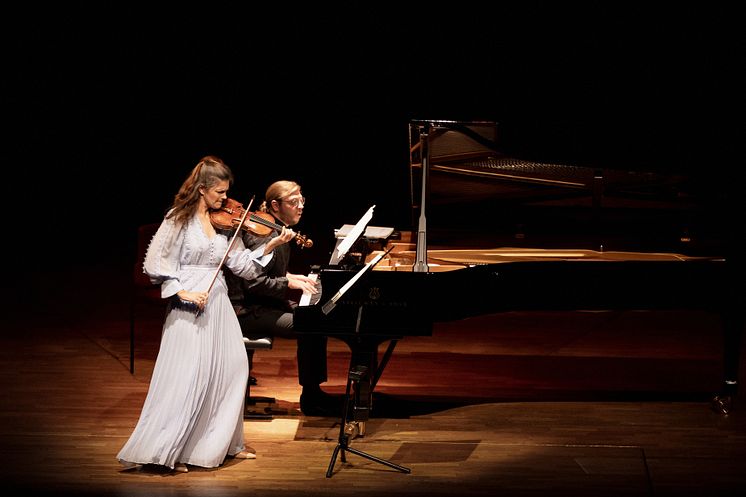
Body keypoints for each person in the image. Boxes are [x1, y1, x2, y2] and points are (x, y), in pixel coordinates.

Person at [117, 156, 295, 473]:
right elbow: (155, 264)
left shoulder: (223, 222)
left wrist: (270, 246)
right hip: (189, 302)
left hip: (218, 299)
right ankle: (168, 451)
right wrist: (181, 291)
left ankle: (221, 443)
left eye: (227, 193)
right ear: (202, 190)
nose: (225, 199)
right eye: (220, 193)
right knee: (188, 376)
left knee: (235, 366)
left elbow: (241, 264)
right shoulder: (178, 219)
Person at [226, 180, 341, 417]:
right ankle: (311, 397)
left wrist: (291, 276)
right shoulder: (265, 236)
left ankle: (313, 393)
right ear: (275, 206)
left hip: (264, 305)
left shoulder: (279, 229)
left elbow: (269, 273)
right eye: (293, 202)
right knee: (311, 326)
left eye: (302, 201)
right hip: (246, 311)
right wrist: (287, 283)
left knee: (313, 320)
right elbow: (254, 282)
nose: (300, 206)